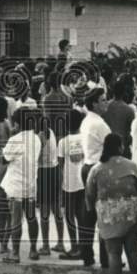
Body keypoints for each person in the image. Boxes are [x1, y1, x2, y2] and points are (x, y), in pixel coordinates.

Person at [84, 132, 137, 274]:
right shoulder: (132, 165)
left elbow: (89, 193)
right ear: (120, 147)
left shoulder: (97, 169)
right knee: (133, 250)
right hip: (132, 212)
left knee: (114, 253)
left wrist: (92, 209)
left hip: (109, 214)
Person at [1, 108, 43, 263]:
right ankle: (33, 250)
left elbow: (5, 158)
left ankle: (15, 253)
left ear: (17, 123)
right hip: (31, 184)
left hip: (16, 185)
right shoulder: (36, 139)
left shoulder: (15, 139)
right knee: (32, 218)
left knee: (15, 220)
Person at [79, 89, 113, 269]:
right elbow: (112, 147)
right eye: (103, 100)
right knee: (103, 213)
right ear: (94, 103)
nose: (106, 103)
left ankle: (87, 254)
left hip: (87, 166)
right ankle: (106, 257)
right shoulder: (100, 124)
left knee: (88, 211)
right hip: (98, 167)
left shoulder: (87, 121)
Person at [57, 108, 87, 260]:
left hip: (68, 183)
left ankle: (75, 246)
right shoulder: (85, 138)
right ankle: (83, 247)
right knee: (81, 216)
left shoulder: (63, 142)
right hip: (83, 182)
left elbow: (61, 164)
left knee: (69, 216)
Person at [35, 108, 64, 255]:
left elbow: (35, 158)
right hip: (54, 170)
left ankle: (46, 245)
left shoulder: (39, 136)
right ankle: (60, 242)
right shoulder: (51, 132)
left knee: (44, 211)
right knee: (56, 209)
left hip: (44, 172)